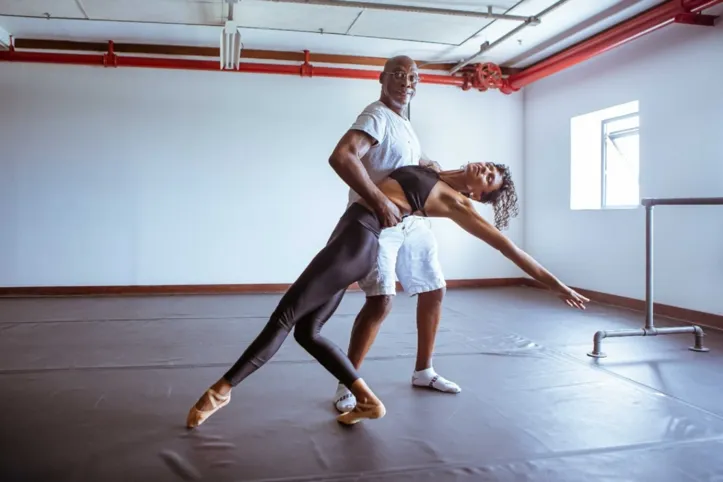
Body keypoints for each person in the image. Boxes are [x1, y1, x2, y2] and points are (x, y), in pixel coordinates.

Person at [186, 161, 590, 429]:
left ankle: (220, 391)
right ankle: (366, 400)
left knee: (284, 316)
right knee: (307, 332)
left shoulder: (457, 203)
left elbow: (510, 250)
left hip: (357, 245)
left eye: (489, 180)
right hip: (347, 243)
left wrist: (559, 285)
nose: (485, 170)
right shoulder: (434, 168)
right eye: (489, 167)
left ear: (479, 196)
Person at [327, 55, 458, 414]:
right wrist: (380, 203)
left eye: (413, 76)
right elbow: (343, 156)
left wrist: (430, 166)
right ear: (382, 79)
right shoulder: (377, 115)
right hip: (379, 222)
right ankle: (347, 380)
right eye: (398, 75)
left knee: (434, 289)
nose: (406, 81)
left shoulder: (403, 123)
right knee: (381, 301)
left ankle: (424, 371)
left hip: (413, 222)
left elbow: (405, 167)